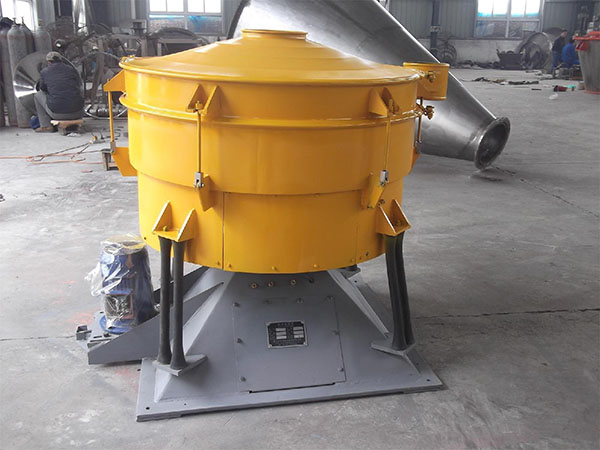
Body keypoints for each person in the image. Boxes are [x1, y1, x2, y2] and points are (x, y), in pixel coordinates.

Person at [33, 52, 84, 132]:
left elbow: (42, 88)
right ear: (61, 60)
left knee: (37, 95)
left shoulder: (44, 72)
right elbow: (78, 85)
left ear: (48, 62)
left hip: (57, 114)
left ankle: (46, 125)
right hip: (78, 112)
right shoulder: (71, 69)